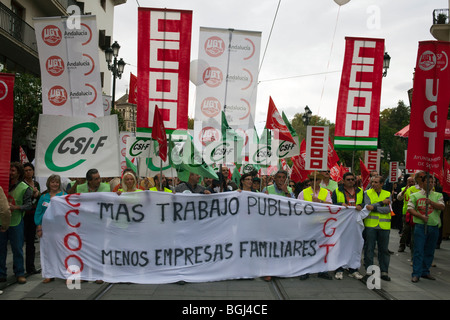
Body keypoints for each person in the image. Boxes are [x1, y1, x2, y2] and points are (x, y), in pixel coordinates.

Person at [408, 172, 445, 283]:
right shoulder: (415, 195)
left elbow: (442, 207)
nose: (430, 184)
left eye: (432, 182)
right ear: (422, 183)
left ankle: (425, 271)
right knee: (418, 250)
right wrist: (421, 216)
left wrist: (431, 203)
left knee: (430, 250)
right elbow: (410, 208)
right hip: (420, 226)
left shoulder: (438, 195)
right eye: (428, 182)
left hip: (433, 226)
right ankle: (416, 273)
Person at [0, 162, 33, 284]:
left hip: (16, 222)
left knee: (17, 248)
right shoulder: (2, 185)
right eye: (9, 170)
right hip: (2, 221)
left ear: (18, 173)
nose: (10, 173)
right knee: (1, 249)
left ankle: (19, 273)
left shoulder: (25, 188)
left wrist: (16, 207)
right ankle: (1, 273)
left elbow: (29, 205)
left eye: (13, 171)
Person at [298, 171, 332, 281]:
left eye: (316, 179)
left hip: (322, 224)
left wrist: (320, 201)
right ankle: (305, 270)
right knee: (307, 247)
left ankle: (322, 270)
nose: (313, 182)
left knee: (322, 247)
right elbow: (298, 206)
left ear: (320, 181)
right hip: (308, 224)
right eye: (311, 180)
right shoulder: (304, 192)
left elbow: (331, 206)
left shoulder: (325, 192)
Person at [331, 172, 364, 280]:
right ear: (343, 181)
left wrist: (360, 205)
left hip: (355, 223)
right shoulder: (337, 191)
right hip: (341, 223)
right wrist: (340, 204)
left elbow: (364, 203)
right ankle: (339, 268)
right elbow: (331, 204)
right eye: (348, 179)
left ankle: (353, 269)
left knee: (355, 245)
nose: (351, 181)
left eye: (352, 179)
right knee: (340, 245)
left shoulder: (360, 191)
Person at [35, 174, 66, 283]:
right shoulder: (43, 197)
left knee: (62, 251)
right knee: (47, 252)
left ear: (59, 184)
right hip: (46, 230)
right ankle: (49, 274)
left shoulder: (64, 195)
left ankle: (65, 273)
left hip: (60, 229)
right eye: (52, 182)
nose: (55, 184)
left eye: (57, 182)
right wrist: (39, 227)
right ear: (48, 183)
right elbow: (38, 212)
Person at [363, 175, 392, 281]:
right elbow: (367, 207)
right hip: (370, 225)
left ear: (381, 184)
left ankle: (384, 271)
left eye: (376, 182)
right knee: (369, 248)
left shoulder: (388, 194)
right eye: (372, 182)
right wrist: (380, 204)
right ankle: (369, 271)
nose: (373, 184)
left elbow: (388, 209)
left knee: (384, 249)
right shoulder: (366, 193)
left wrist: (374, 207)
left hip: (384, 226)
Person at [22, 162, 41, 275]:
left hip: (33, 214)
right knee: (21, 242)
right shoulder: (21, 184)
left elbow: (38, 199)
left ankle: (30, 267)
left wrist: (37, 195)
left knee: (30, 242)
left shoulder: (36, 183)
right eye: (26, 170)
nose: (28, 172)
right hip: (24, 215)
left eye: (30, 170)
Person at [397, 176, 419, 253]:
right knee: (406, 230)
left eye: (413, 181)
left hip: (416, 213)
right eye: (409, 182)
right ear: (407, 183)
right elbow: (399, 198)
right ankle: (402, 245)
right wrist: (404, 191)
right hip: (406, 213)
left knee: (414, 231)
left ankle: (412, 246)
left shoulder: (418, 190)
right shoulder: (404, 189)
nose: (411, 183)